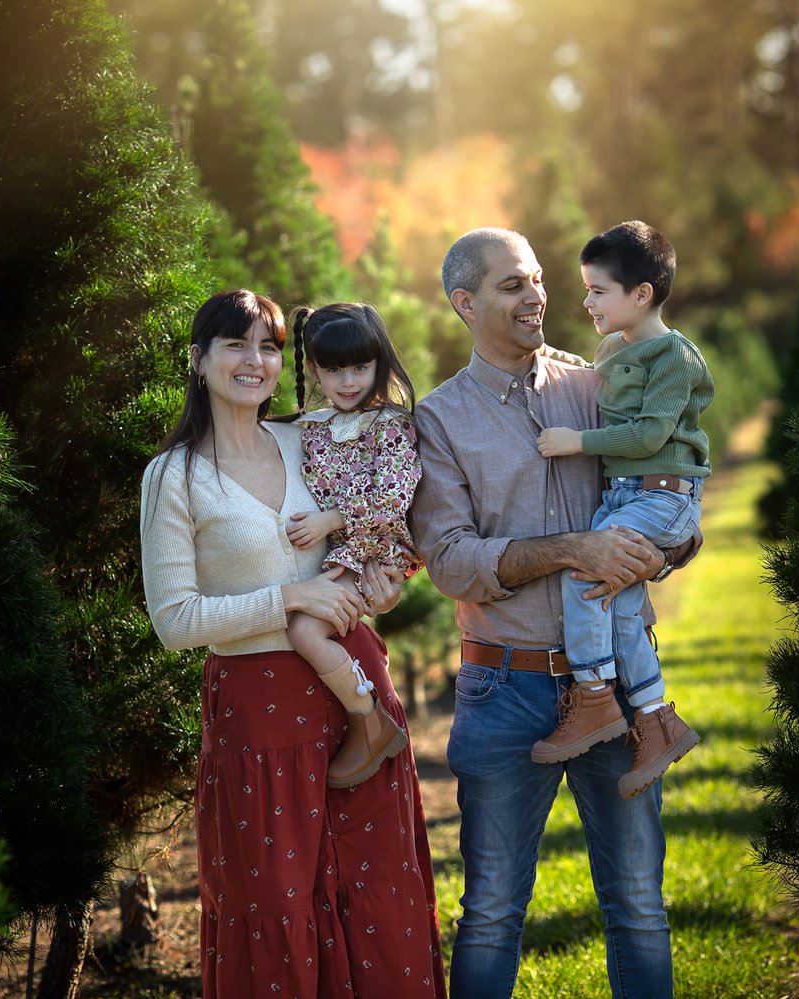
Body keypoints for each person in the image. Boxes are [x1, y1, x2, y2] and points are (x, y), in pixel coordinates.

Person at [408, 228, 698, 998]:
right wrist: (575, 548)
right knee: (492, 910)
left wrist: (664, 552)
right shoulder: (438, 421)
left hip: (619, 689)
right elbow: (451, 561)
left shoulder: (600, 384)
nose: (536, 295)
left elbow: (675, 493)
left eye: (537, 279)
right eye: (512, 284)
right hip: (506, 688)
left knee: (638, 905)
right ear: (465, 303)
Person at [140, 290, 445, 999]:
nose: (255, 361)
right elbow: (175, 620)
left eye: (270, 346)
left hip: (356, 695)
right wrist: (290, 598)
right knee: (276, 909)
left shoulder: (307, 437)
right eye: (236, 344)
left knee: (376, 901)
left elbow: (384, 517)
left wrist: (386, 585)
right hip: (260, 721)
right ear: (198, 358)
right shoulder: (174, 475)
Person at [531, 220, 713, 797]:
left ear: (642, 294)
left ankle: (593, 698)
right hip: (626, 496)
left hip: (663, 494)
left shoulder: (674, 357)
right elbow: (589, 375)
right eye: (585, 289)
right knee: (622, 603)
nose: (586, 302)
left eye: (598, 291)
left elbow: (648, 435)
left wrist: (574, 442)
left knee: (588, 570)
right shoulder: (613, 346)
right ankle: (658, 720)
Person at [284, 302, 426, 789]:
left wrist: (331, 519)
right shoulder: (313, 427)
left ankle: (369, 721)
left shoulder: (391, 425)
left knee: (304, 631)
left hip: (372, 550)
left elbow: (392, 498)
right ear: (313, 370)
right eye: (334, 369)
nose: (348, 381)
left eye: (360, 367)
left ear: (379, 364)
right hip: (343, 549)